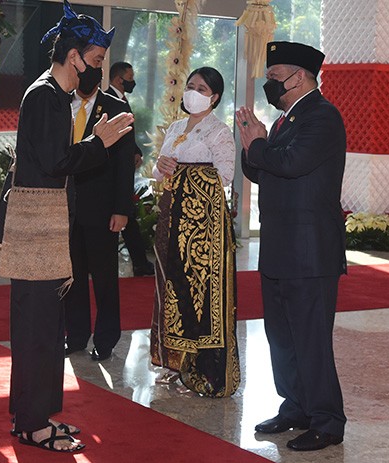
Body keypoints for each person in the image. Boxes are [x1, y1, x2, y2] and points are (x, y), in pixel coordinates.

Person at [8, 0, 133, 453]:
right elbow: (55, 162)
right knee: (37, 328)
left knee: (45, 326)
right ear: (74, 55)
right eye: (96, 61)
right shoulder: (45, 96)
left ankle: (33, 417)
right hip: (38, 223)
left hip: (50, 221)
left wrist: (96, 141)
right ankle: (32, 421)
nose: (97, 70)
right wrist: (99, 141)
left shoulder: (56, 97)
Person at [235, 41, 347, 451]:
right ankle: (295, 406)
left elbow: (290, 163)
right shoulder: (286, 119)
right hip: (281, 247)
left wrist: (259, 144)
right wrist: (255, 145)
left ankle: (328, 420)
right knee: (281, 336)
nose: (269, 84)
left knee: (311, 338)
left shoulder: (322, 117)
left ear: (298, 76)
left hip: (310, 250)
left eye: (273, 77)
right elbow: (264, 170)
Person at [150, 66, 239, 398]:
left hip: (200, 228)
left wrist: (189, 173)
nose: (193, 92)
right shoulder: (175, 127)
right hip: (170, 215)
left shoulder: (219, 132)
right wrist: (162, 167)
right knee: (167, 284)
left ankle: (196, 363)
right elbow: (158, 171)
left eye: (201, 88)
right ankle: (169, 359)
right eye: (190, 86)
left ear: (214, 97)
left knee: (195, 292)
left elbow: (225, 175)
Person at [64, 57, 136, 362]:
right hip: (66, 208)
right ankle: (77, 335)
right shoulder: (59, 102)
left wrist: (122, 209)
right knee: (72, 276)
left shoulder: (117, 109)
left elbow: (125, 165)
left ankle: (105, 340)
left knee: (105, 279)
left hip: (102, 208)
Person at [107, 61, 155, 276]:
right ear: (119, 79)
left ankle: (140, 262)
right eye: (130, 77)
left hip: (125, 168)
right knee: (125, 215)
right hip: (114, 171)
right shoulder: (108, 100)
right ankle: (139, 262)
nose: (132, 81)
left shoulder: (123, 100)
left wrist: (136, 151)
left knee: (129, 216)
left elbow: (127, 134)